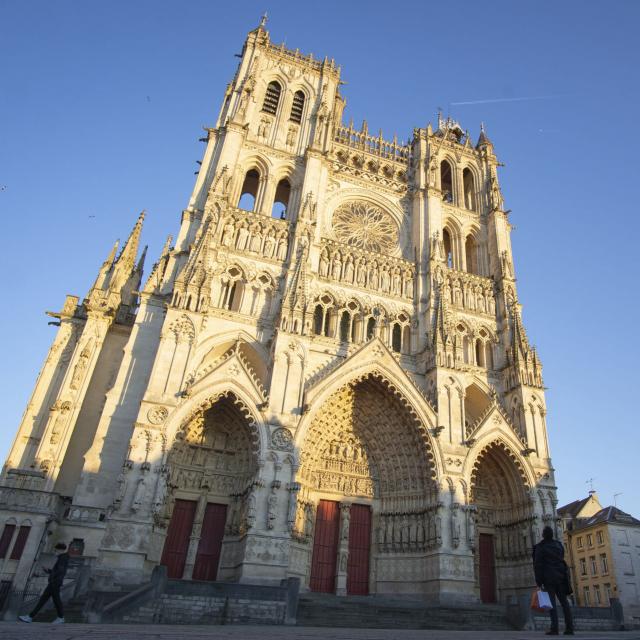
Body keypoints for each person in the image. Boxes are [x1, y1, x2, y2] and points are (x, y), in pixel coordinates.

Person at [533, 526, 574, 636]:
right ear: (552, 534)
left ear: (543, 535)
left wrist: (538, 581)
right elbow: (561, 557)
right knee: (564, 603)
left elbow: (538, 565)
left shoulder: (541, 547)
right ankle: (569, 628)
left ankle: (554, 628)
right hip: (561, 576)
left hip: (549, 578)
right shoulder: (559, 545)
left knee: (551, 604)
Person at [19, 542, 69, 624]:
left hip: (55, 582)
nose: (55, 552)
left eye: (56, 550)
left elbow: (60, 570)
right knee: (48, 600)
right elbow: (58, 571)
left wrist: (53, 578)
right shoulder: (63, 557)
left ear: (60, 550)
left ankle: (60, 617)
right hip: (55, 582)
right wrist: (48, 570)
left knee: (52, 600)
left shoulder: (63, 558)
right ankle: (30, 617)